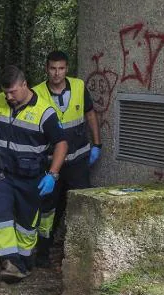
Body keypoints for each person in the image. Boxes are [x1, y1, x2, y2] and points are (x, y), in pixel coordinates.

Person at [0, 65, 68, 282]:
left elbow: (61, 144)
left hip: (30, 177)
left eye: (12, 91)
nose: (8, 96)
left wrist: (52, 174)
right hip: (1, 173)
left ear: (25, 85)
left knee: (26, 225)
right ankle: (9, 260)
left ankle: (23, 261)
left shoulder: (45, 112)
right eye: (5, 92)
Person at [32, 51, 101, 268]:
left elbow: (90, 115)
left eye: (61, 68)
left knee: (82, 204)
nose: (57, 73)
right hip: (51, 163)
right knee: (48, 210)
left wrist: (97, 144)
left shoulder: (79, 87)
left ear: (67, 69)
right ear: (46, 69)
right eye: (53, 68)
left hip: (78, 161)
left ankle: (83, 251)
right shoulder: (36, 93)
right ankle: (43, 252)